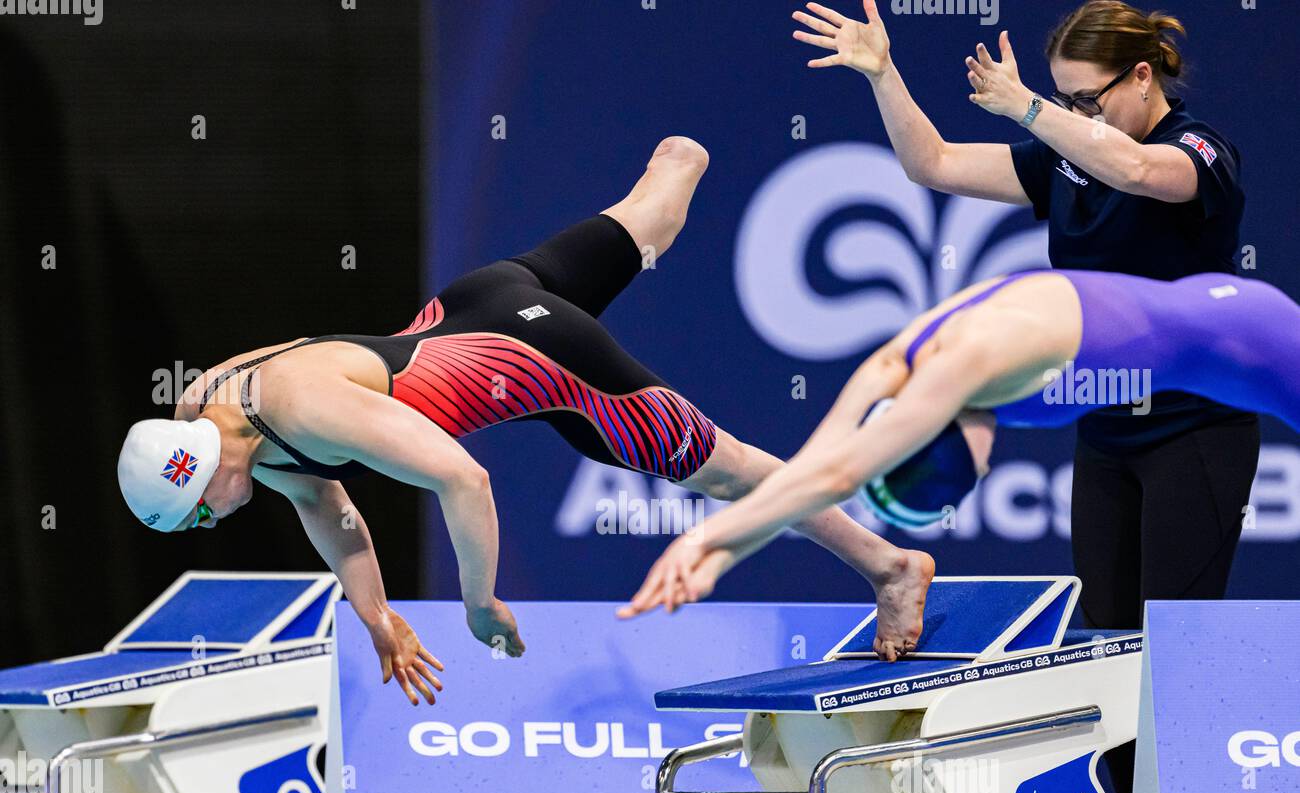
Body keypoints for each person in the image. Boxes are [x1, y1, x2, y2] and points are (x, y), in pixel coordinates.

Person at [117, 138, 935, 704]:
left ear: (203, 473)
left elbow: (462, 477)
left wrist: (479, 601)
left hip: (541, 360)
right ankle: (680, 159)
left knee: (731, 470)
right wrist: (379, 618)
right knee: (651, 212)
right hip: (480, 299)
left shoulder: (302, 409)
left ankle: (889, 565)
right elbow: (332, 511)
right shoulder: (211, 402)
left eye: (198, 513)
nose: (209, 523)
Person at [792, 0, 1257, 629]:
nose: (1076, 116)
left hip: (1195, 429)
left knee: (1175, 639)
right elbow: (932, 163)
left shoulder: (1200, 149)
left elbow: (1139, 170)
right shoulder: (1063, 160)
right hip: (1105, 428)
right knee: (1106, 638)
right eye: (1065, 100)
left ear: (1143, 77)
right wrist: (883, 73)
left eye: (1088, 100)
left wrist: (1029, 108)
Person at [621, 267, 1299, 617]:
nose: (988, 463)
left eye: (971, 472)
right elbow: (811, 471)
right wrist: (723, 555)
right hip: (1210, 356)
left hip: (1250, 337)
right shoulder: (890, 369)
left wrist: (700, 539)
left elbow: (836, 480)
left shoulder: (974, 359)